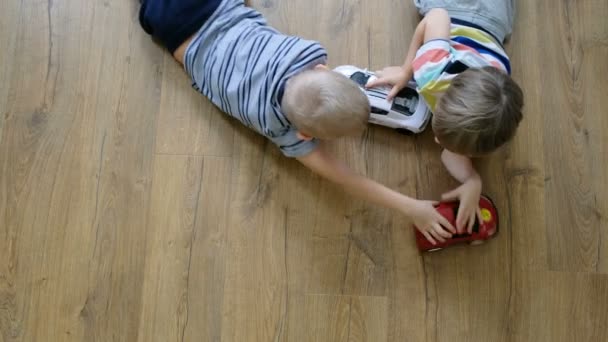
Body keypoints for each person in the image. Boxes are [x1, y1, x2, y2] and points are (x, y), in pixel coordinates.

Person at [138, 0, 457, 244]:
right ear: (305, 135)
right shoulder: (280, 129)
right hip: (173, 28)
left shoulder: (306, 53)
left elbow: (328, 81)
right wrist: (409, 207)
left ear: (323, 69)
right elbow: (344, 177)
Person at [368, 0, 523, 239]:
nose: (437, 140)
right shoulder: (432, 72)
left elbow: (454, 152)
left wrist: (472, 180)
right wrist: (406, 70)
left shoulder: (490, 117)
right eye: (442, 136)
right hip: (456, 7)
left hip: (495, 20)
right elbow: (436, 16)